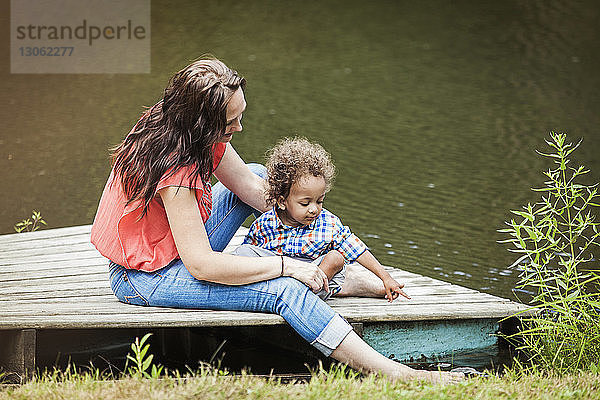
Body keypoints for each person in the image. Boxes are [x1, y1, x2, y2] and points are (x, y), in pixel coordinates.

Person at [90, 56, 462, 383]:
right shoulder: (176, 168)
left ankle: (322, 271)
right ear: (203, 123)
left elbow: (255, 188)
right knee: (285, 289)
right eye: (230, 122)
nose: (239, 128)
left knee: (254, 174)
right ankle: (401, 374)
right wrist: (285, 267)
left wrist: (325, 223)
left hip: (173, 249)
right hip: (144, 277)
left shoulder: (188, 128)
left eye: (240, 115)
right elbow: (201, 265)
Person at [236, 137, 410, 303]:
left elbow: (355, 248)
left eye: (319, 201)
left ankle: (305, 294)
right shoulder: (264, 224)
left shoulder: (328, 223)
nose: (314, 209)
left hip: (315, 279)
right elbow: (251, 256)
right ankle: (340, 288)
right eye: (305, 203)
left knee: (335, 258)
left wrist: (386, 277)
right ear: (282, 201)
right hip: (278, 275)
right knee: (244, 252)